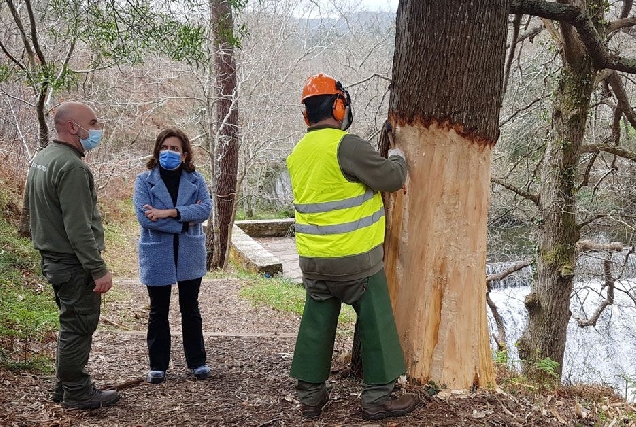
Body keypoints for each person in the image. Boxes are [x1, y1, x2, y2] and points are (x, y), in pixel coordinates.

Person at [286, 73, 419, 420]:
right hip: (355, 260)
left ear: (306, 115)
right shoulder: (346, 145)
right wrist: (399, 157)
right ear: (338, 105)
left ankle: (310, 397)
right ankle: (378, 398)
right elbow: (390, 178)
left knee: (317, 323)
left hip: (314, 260)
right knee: (377, 322)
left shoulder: (298, 153)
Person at [25, 101, 120, 409]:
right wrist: (97, 269)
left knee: (71, 324)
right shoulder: (72, 167)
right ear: (72, 127)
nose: (96, 129)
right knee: (78, 326)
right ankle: (77, 391)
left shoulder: (43, 157)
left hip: (53, 259)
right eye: (92, 123)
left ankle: (64, 387)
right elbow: (78, 227)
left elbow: (32, 212)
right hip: (72, 263)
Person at [133, 128, 213, 385]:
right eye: (165, 147)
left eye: (175, 148)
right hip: (157, 252)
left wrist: (168, 213)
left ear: (184, 154)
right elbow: (145, 218)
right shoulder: (144, 181)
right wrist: (184, 220)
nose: (169, 152)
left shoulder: (196, 179)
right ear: (157, 152)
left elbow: (205, 210)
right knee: (158, 310)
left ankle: (197, 362)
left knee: (190, 309)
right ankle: (158, 365)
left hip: (189, 250)